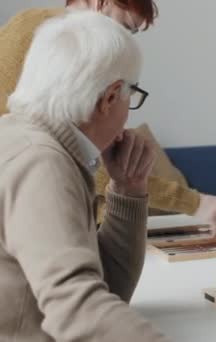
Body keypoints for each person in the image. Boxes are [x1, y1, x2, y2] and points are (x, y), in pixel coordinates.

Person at [0, 10, 170, 341]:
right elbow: (78, 310)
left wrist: (128, 190)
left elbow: (107, 291)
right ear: (109, 97)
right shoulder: (39, 163)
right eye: (132, 96)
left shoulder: (21, 138)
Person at [0, 0, 216, 237]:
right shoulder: (50, 35)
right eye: (125, 26)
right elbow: (76, 158)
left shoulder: (72, 45)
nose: (124, 40)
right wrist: (191, 202)